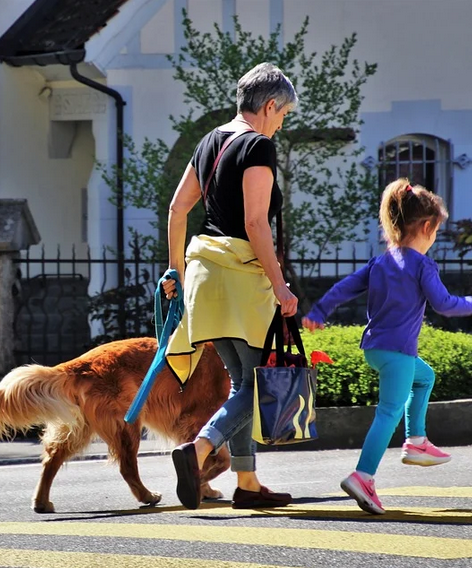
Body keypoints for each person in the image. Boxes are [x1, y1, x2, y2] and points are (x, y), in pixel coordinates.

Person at [301, 178, 472, 515]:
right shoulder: (422, 265)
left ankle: (416, 440)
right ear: (426, 227)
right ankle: (363, 475)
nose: (435, 237)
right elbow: (445, 304)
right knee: (388, 412)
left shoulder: (381, 262)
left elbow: (344, 286)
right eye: (436, 230)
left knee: (424, 377)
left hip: (375, 350)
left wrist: (319, 311)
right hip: (398, 353)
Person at [160, 62, 299, 510]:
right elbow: (255, 222)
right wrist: (280, 286)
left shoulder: (209, 141)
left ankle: (248, 485)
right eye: (283, 114)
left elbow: (178, 209)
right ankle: (198, 451)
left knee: (243, 382)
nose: (281, 123)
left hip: (204, 275)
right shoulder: (257, 146)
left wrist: (175, 273)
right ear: (270, 104)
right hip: (241, 276)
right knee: (258, 386)